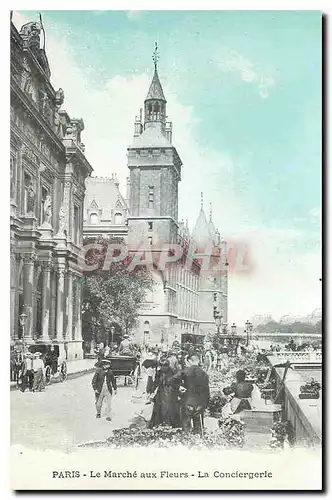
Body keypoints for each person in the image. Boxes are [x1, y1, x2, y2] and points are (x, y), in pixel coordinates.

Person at [180, 354, 210, 435]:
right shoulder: (204, 374)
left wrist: (179, 388)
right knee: (199, 427)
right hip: (199, 403)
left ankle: (185, 442)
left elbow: (172, 380)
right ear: (198, 361)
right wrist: (206, 404)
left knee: (186, 427)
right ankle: (198, 443)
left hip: (187, 402)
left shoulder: (185, 372)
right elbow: (207, 391)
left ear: (189, 361)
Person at [149, 358, 181, 428]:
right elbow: (156, 383)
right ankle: (159, 422)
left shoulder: (173, 372)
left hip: (171, 391)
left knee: (170, 407)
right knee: (159, 406)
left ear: (168, 365)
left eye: (165, 366)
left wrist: (176, 390)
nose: (163, 368)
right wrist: (152, 391)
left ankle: (170, 423)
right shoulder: (159, 372)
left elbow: (177, 383)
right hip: (161, 391)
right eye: (162, 366)